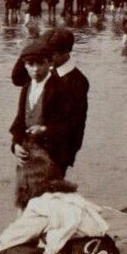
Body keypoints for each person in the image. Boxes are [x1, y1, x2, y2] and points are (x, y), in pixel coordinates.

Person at [9, 38, 62, 211]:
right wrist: (16, 144)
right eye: (30, 64)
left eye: (40, 63)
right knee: (22, 195)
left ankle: (41, 235)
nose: (36, 69)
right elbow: (19, 121)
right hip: (27, 152)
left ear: (50, 63)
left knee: (44, 199)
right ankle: (20, 233)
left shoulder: (59, 87)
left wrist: (45, 129)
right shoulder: (27, 86)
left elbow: (70, 124)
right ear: (24, 65)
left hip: (50, 152)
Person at [42, 28, 89, 176]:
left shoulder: (77, 81)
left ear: (66, 52)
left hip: (59, 149)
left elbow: (74, 123)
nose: (48, 59)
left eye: (53, 55)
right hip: (40, 145)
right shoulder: (46, 71)